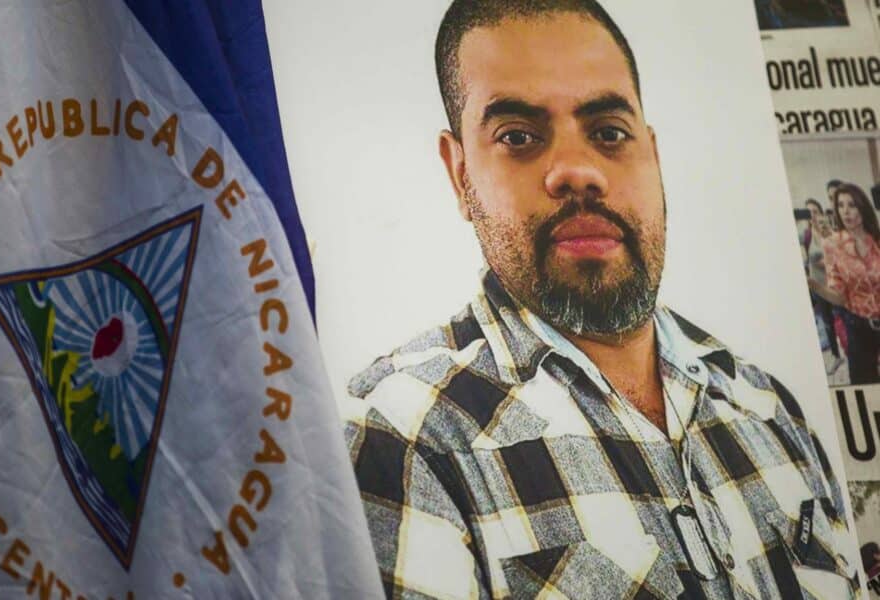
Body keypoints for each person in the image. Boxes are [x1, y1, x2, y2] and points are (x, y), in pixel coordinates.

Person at [344, 2, 858, 598]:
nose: (578, 170)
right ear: (460, 174)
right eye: (518, 136)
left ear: (653, 154)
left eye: (609, 132)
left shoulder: (771, 410)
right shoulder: (400, 439)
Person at [812, 183, 880, 385]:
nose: (846, 211)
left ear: (863, 207)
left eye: (852, 205)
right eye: (841, 205)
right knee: (866, 387)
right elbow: (840, 297)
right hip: (858, 326)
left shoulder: (877, 240)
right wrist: (813, 284)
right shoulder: (833, 245)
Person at [803, 198, 842, 374]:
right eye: (808, 212)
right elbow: (805, 258)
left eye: (815, 211)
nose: (812, 215)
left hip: (834, 285)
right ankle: (836, 356)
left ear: (820, 212)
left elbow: (838, 256)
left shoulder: (828, 232)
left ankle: (853, 351)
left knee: (845, 320)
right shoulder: (807, 234)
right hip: (818, 286)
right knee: (827, 323)